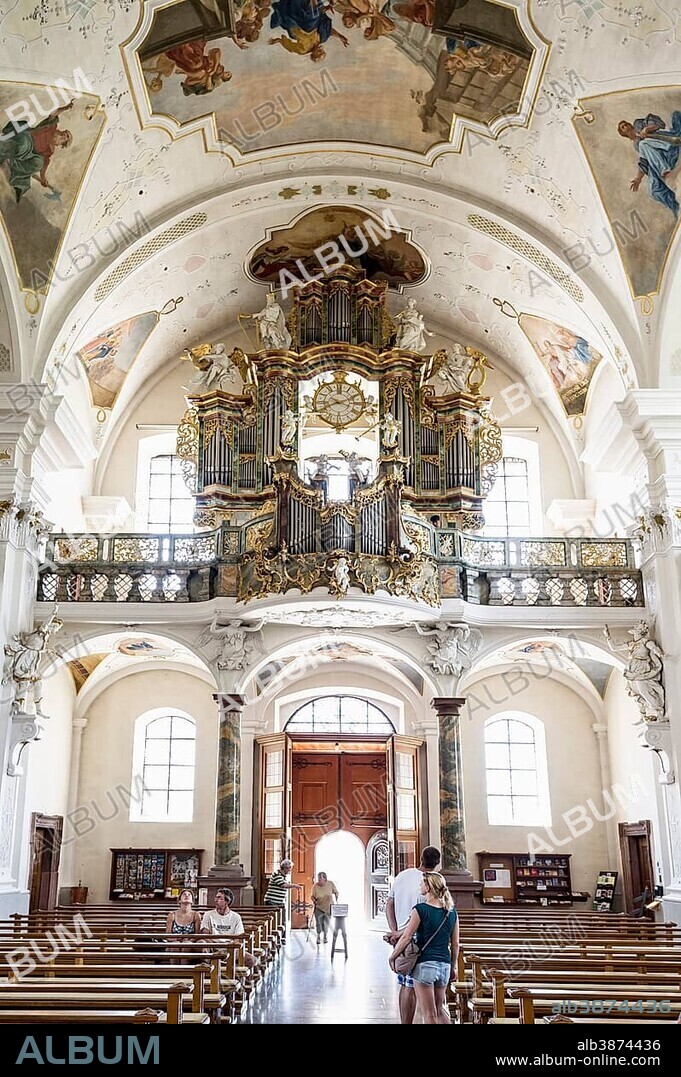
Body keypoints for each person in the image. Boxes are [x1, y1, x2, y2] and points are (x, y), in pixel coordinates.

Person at [389, 871, 459, 1025]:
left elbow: (407, 937)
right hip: (445, 965)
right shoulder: (451, 912)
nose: (419, 885)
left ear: (428, 887)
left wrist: (393, 956)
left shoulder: (420, 909)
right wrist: (453, 966)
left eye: (421, 883)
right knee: (439, 1010)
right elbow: (455, 945)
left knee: (429, 1014)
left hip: (425, 964)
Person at [384, 845, 441, 1024]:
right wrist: (400, 933)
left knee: (406, 985)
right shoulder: (433, 881)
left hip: (403, 938)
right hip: (421, 940)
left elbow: (389, 905)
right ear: (438, 863)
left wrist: (395, 932)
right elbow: (426, 917)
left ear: (420, 858)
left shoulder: (402, 876)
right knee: (428, 989)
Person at [201, 887, 254, 968]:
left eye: (219, 898)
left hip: (230, 948)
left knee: (251, 960)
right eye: (216, 897)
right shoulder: (208, 914)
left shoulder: (236, 917)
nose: (215, 900)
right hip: (212, 947)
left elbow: (238, 937)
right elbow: (205, 934)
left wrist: (230, 948)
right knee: (203, 949)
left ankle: (239, 977)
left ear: (227, 901)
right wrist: (215, 947)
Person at [165, 888, 201, 962]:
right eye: (184, 894)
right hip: (174, 942)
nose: (186, 896)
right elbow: (168, 935)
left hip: (190, 942)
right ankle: (175, 971)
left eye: (189, 895)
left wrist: (189, 940)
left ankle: (186, 971)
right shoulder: (172, 915)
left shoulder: (196, 915)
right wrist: (176, 940)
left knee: (186, 945)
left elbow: (197, 935)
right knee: (175, 945)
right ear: (179, 900)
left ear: (192, 901)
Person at [310, 871, 339, 944]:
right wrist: (314, 900)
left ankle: (325, 936)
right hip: (319, 907)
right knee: (319, 923)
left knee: (326, 923)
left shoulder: (330, 884)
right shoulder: (315, 886)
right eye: (318, 878)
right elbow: (312, 896)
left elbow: (336, 892)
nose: (319, 880)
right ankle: (318, 936)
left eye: (320, 879)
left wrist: (336, 895)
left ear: (325, 879)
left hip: (328, 907)